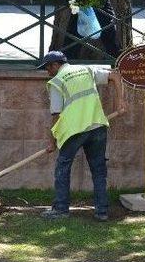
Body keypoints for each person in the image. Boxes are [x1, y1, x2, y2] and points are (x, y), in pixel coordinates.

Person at [38, 51, 125, 221]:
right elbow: (115, 75)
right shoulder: (86, 70)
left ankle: (61, 210)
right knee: (99, 170)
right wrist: (120, 101)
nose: (47, 71)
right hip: (97, 125)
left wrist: (52, 141)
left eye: (48, 67)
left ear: (56, 65)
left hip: (74, 131)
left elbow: (56, 115)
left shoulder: (57, 82)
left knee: (62, 168)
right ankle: (102, 212)